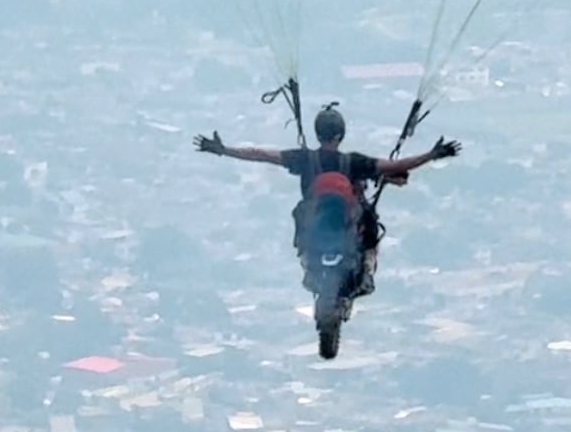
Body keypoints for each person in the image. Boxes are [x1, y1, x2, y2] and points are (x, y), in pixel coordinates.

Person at [194, 104, 461, 299]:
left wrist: (223, 150)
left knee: (305, 223)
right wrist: (432, 154)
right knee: (370, 232)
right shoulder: (354, 163)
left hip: (313, 228)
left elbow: (260, 154)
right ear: (341, 134)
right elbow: (399, 165)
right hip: (349, 226)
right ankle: (365, 272)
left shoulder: (304, 159)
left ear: (318, 133)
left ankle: (310, 266)